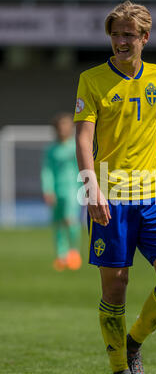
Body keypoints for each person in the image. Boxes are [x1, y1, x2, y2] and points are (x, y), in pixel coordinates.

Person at [74, 1, 156, 374]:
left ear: (145, 37)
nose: (120, 41)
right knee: (116, 287)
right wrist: (91, 187)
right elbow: (83, 139)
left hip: (153, 195)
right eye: (115, 34)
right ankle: (120, 370)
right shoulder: (91, 79)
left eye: (128, 34)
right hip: (109, 192)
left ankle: (134, 342)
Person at [41, 112, 82, 271]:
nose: (63, 129)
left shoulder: (76, 147)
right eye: (60, 126)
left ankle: (74, 252)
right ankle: (61, 255)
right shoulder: (51, 150)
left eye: (66, 126)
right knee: (58, 223)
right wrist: (47, 189)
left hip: (73, 189)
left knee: (70, 220)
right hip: (56, 190)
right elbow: (47, 171)